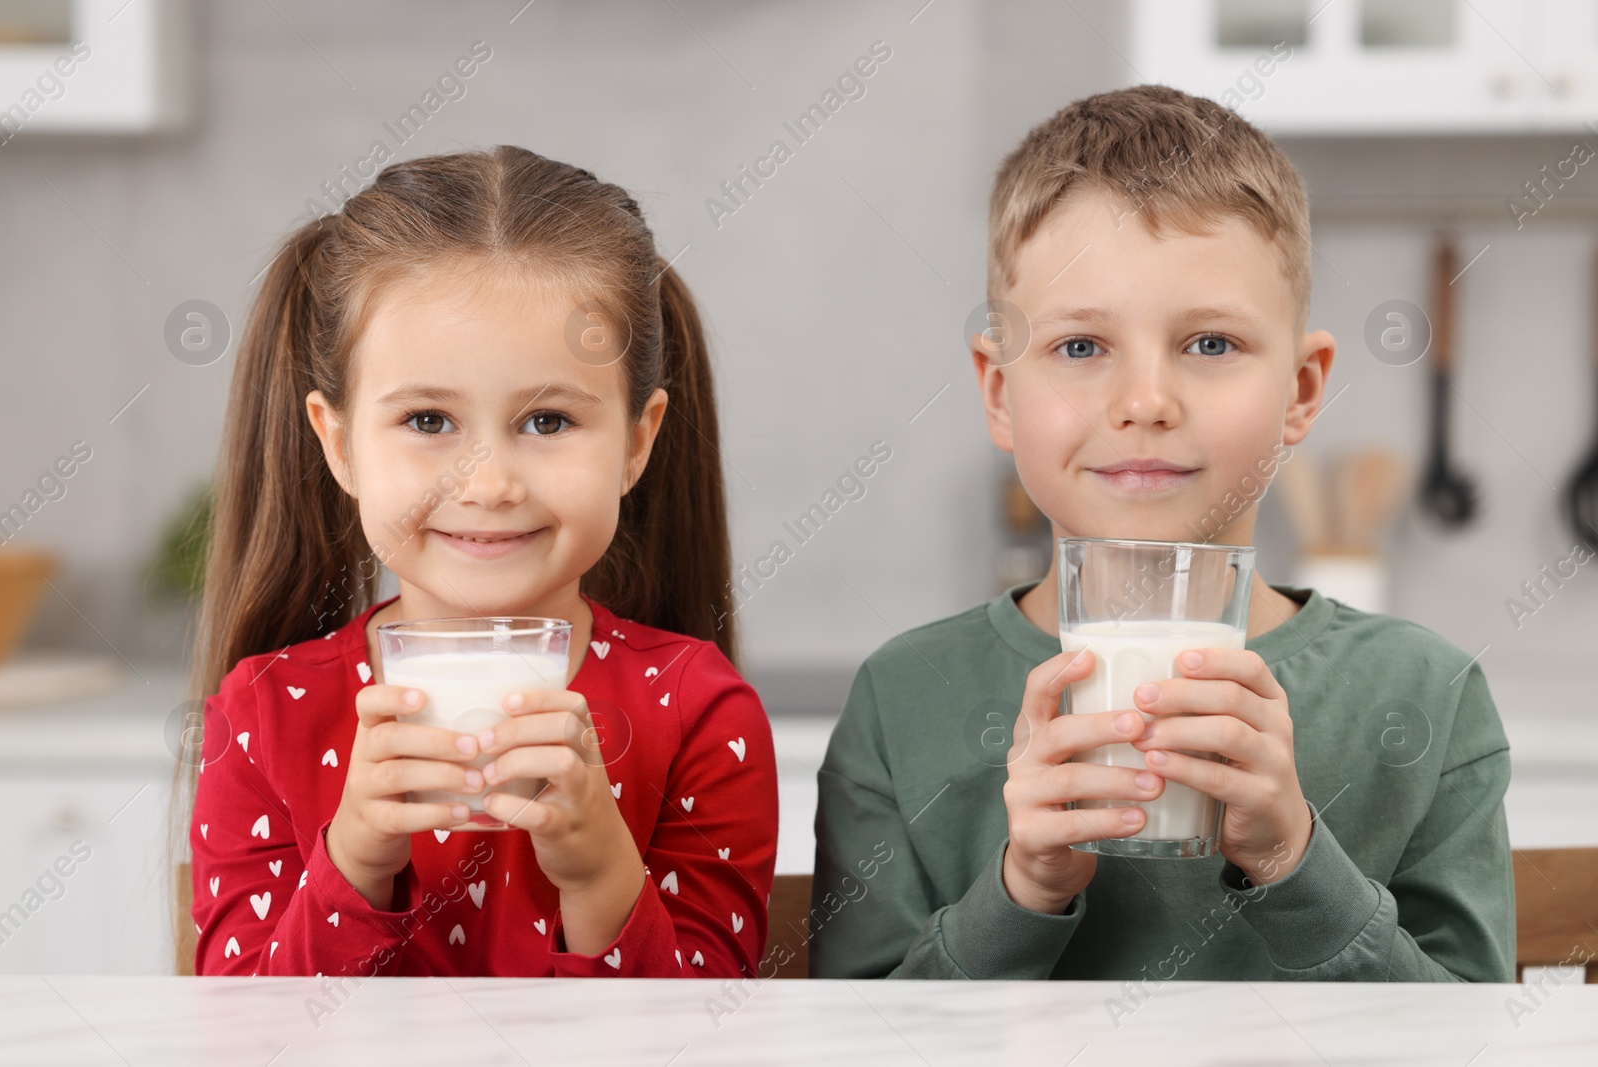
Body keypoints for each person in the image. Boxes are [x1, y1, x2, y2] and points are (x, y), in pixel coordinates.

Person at [810, 86, 1514, 983]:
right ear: (997, 392)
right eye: (1079, 347)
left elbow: (1472, 1040)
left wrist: (1298, 859)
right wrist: (1021, 891)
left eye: (1211, 344)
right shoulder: (900, 703)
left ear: (1301, 391)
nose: (1145, 402)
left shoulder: (1429, 696)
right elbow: (860, 1042)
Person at [184, 146, 777, 979]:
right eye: (428, 421)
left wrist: (602, 876)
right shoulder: (265, 716)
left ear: (637, 442)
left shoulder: (699, 715)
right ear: (340, 441)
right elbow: (242, 1040)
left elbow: (709, 1037)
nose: (489, 484)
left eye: (547, 422)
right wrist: (355, 860)